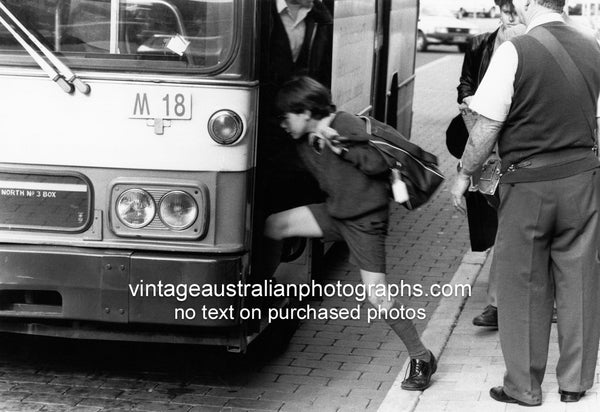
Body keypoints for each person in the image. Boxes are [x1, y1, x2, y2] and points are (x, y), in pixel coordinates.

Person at [450, 0, 600, 406]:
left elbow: (488, 125)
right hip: (583, 180)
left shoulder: (515, 50)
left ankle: (524, 387)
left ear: (531, 2)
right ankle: (575, 384)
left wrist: (464, 173)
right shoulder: (592, 46)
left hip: (529, 185)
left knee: (523, 285)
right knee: (581, 281)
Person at [266, 76, 436, 391]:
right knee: (275, 225)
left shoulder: (345, 124)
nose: (282, 124)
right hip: (334, 213)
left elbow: (376, 164)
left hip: (366, 223)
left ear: (304, 111)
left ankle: (421, 356)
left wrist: (339, 145)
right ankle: (260, 295)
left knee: (378, 297)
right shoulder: (303, 137)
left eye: (285, 117)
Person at [455, 0, 525, 328]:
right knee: (505, 226)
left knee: (513, 229)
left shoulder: (532, 46)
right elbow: (465, 83)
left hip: (522, 155)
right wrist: (469, 99)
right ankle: (500, 304)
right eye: (504, 8)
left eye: (514, 8)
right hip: (490, 151)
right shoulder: (482, 44)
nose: (508, 15)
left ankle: (501, 305)